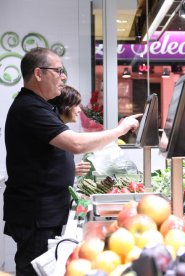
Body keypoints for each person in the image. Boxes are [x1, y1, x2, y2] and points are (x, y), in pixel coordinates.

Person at [4, 47, 140, 276]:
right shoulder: (30, 108)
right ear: (38, 73)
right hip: (37, 215)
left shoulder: (39, 106)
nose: (63, 76)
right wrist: (119, 130)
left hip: (45, 212)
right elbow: (75, 143)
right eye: (58, 71)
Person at [48, 85, 91, 176]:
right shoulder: (53, 133)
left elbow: (54, 167)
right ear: (66, 106)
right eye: (76, 105)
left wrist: (71, 170)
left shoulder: (61, 131)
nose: (79, 110)